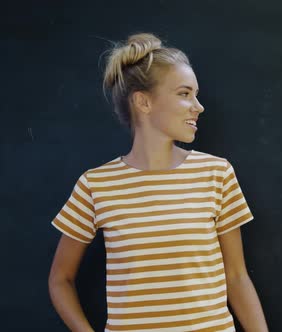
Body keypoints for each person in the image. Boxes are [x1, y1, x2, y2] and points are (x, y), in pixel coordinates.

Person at [48, 33, 268, 332]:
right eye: (184, 93)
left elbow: (237, 276)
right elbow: (60, 280)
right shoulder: (95, 185)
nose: (198, 106)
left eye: (196, 94)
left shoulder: (217, 174)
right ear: (143, 101)